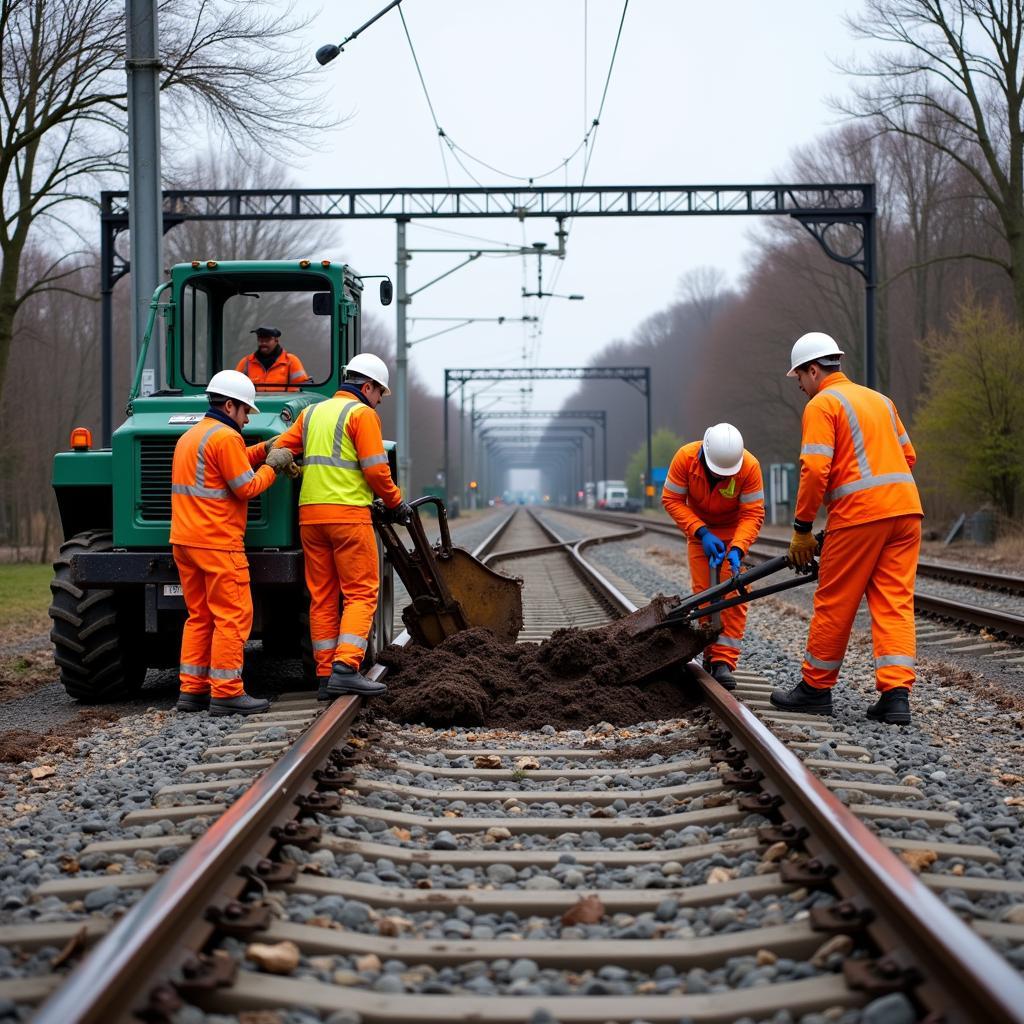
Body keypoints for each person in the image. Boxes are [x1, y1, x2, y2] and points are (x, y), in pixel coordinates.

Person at [770, 332, 922, 726]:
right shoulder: (880, 400)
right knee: (894, 601)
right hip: (906, 512)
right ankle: (895, 697)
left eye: (799, 377)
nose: (800, 386)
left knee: (835, 601)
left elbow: (816, 468)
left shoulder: (823, 403)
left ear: (814, 369)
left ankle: (815, 689)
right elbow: (909, 455)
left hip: (860, 515)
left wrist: (803, 527)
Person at [273, 352, 410, 701]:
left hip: (310, 518)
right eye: (380, 393)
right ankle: (346, 667)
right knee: (361, 592)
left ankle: (324, 674)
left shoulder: (312, 412)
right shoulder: (362, 415)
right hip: (348, 516)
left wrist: (250, 455)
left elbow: (280, 449)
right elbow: (377, 470)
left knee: (322, 597)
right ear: (367, 386)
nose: (379, 401)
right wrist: (396, 503)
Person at [170, 370, 296, 716]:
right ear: (230, 406)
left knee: (199, 616)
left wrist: (263, 450)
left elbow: (228, 465)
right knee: (233, 615)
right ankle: (226, 692)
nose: (246, 418)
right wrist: (274, 465)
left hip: (185, 540)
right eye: (245, 411)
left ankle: (192, 691)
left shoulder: (192, 437)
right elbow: (246, 488)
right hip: (217, 542)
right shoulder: (225, 438)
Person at [661, 423, 765, 688]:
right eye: (717, 474)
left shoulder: (749, 467)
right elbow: (671, 498)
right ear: (703, 457)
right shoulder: (685, 458)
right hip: (701, 535)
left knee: (734, 595)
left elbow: (752, 513)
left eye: (725, 476)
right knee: (704, 594)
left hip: (733, 535)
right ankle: (708, 654)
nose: (721, 479)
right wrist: (701, 532)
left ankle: (723, 662)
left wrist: (739, 547)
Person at [236, 326, 312, 392]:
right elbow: (235, 386)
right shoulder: (246, 362)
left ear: (276, 340)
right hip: (253, 407)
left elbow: (304, 389)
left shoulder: (291, 361)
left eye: (267, 340)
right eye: (260, 340)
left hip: (283, 407)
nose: (263, 343)